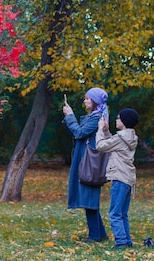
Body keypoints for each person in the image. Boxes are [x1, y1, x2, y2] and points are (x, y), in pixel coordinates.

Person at [62, 87, 110, 242]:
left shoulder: (97, 118)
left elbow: (80, 133)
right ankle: (100, 234)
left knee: (89, 198)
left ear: (95, 101)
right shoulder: (95, 116)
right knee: (88, 197)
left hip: (90, 162)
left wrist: (70, 116)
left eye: (88, 98)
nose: (85, 101)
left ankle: (95, 236)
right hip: (86, 159)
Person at [95, 108, 140, 250]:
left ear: (124, 121)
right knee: (122, 213)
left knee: (114, 213)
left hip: (120, 178)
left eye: (119, 118)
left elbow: (100, 146)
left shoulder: (120, 138)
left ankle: (121, 242)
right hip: (128, 178)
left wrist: (100, 131)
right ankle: (127, 240)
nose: (116, 120)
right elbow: (112, 142)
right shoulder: (130, 137)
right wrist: (107, 132)